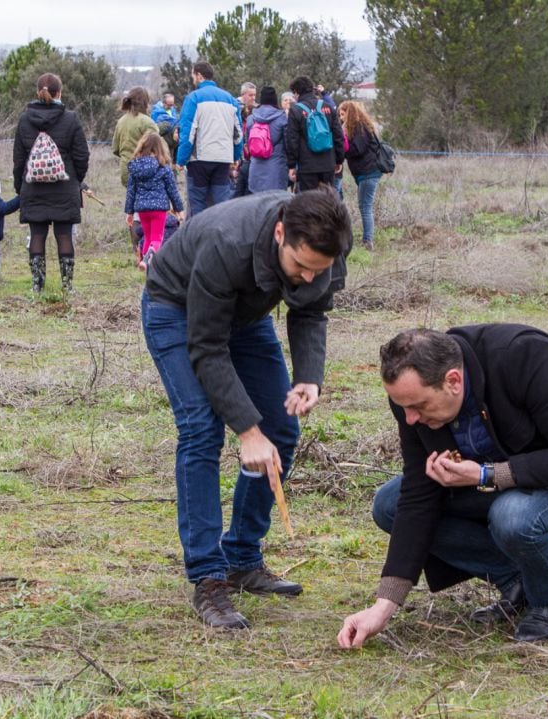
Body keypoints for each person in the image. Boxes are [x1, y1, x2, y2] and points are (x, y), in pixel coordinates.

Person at [337, 326, 548, 647]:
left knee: (512, 515)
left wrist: (486, 475)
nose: (410, 418)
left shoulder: (524, 354)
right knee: (389, 505)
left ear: (453, 380)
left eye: (419, 406)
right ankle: (517, 578)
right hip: (512, 471)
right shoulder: (411, 398)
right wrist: (384, 606)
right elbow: (417, 494)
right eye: (403, 407)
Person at [141, 188, 352, 630]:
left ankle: (241, 556)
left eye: (321, 270)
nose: (310, 279)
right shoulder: (227, 242)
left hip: (246, 316)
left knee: (280, 427)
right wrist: (246, 431)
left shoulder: (330, 241)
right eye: (301, 267)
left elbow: (311, 311)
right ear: (279, 234)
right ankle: (208, 578)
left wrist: (309, 376)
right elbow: (207, 346)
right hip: (177, 309)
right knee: (202, 429)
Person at [13, 73, 90, 295]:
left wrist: (21, 187)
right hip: (64, 188)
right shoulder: (71, 119)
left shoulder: (24, 120)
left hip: (33, 187)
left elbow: (19, 159)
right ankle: (67, 286)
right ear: (60, 92)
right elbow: (82, 155)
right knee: (64, 236)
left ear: (37, 92)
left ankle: (37, 285)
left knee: (37, 235)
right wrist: (77, 179)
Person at [175, 61, 243, 217]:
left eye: (193, 75)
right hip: (223, 159)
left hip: (199, 159)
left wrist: (181, 159)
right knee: (221, 205)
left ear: (199, 75)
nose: (193, 79)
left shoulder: (193, 98)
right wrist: (235, 156)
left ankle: (199, 238)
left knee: (198, 206)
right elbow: (238, 134)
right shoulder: (230, 99)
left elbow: (188, 132)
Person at [124, 132, 184, 270]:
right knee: (157, 239)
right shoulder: (164, 168)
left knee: (148, 238)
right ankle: (148, 260)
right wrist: (179, 209)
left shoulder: (135, 168)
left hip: (142, 210)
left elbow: (130, 192)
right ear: (160, 148)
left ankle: (147, 268)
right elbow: (172, 191)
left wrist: (129, 212)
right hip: (158, 210)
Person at [338, 100, 386, 252]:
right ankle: (367, 238)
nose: (341, 117)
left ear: (349, 113)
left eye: (342, 114)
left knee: (365, 207)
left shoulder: (360, 128)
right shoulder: (359, 127)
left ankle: (368, 241)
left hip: (368, 172)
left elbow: (357, 149)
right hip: (365, 172)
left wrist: (342, 150)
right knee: (365, 206)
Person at [286, 76, 344, 193]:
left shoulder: (295, 110)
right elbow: (338, 136)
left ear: (297, 92)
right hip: (328, 163)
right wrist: (339, 160)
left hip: (307, 166)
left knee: (310, 204)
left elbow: (292, 140)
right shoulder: (327, 107)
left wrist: (292, 165)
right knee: (328, 202)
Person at [245, 86, 289, 194]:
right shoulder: (282, 118)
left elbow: (248, 143)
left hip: (255, 169)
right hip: (276, 170)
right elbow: (288, 144)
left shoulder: (251, 118)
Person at [112, 87, 158, 189]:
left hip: (126, 171)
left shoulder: (121, 121)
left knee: (131, 202)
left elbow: (115, 149)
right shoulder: (147, 122)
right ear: (145, 101)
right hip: (146, 171)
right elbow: (159, 149)